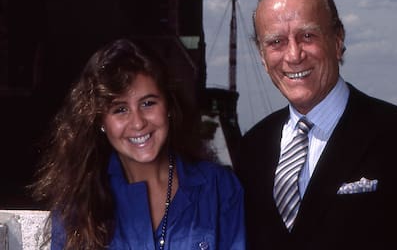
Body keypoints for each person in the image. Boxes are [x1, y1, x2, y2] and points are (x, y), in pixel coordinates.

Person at [235, 0, 397, 250]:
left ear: (337, 39)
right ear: (262, 57)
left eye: (307, 36)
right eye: (276, 42)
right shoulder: (252, 148)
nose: (294, 55)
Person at [32, 38, 246, 249]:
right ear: (100, 121)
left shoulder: (219, 188)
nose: (138, 123)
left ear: (169, 107)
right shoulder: (78, 206)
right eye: (120, 109)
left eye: (148, 103)